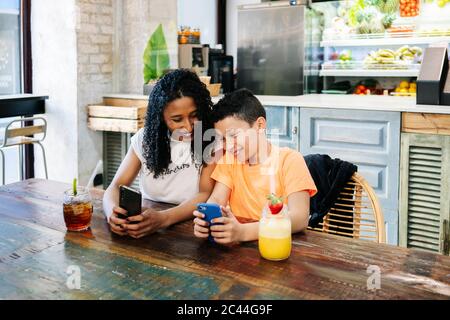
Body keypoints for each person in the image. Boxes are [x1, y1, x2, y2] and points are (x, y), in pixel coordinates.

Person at [193, 89, 317, 244]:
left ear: (259, 125)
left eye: (233, 135)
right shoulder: (229, 160)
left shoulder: (290, 160)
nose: (229, 145)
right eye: (223, 139)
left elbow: (300, 218)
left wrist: (244, 232)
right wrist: (206, 219)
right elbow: (217, 198)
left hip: (281, 245)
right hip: (241, 249)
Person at [103, 69, 215, 238]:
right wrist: (111, 212)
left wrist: (164, 219)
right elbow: (114, 187)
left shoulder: (208, 138)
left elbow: (205, 194)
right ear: (161, 118)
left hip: (191, 228)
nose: (189, 126)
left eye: (194, 115)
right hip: (146, 224)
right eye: (177, 119)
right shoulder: (146, 138)